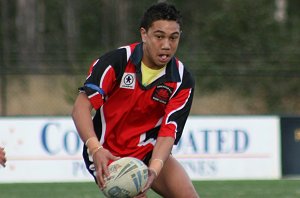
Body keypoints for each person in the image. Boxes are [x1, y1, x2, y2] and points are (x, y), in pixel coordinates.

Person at [72, 2, 199, 198]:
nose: (167, 45)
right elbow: (81, 108)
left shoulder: (182, 79)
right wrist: (95, 148)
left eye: (173, 38)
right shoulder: (116, 62)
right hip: (108, 153)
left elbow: (168, 132)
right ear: (144, 34)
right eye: (159, 37)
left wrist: (154, 168)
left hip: (148, 152)